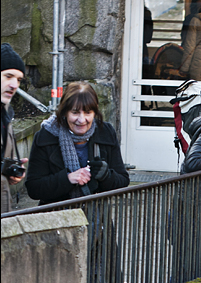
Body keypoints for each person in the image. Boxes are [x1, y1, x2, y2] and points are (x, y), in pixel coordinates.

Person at [25, 81, 129, 204]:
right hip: (56, 218)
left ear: (95, 112)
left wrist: (106, 175)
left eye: (88, 112)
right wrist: (67, 179)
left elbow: (123, 182)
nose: (81, 120)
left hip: (97, 217)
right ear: (65, 112)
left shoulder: (105, 132)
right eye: (75, 112)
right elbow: (34, 188)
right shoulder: (46, 136)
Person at [1, 42, 28, 213]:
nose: (14, 85)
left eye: (18, 79)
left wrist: (10, 170)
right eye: (8, 76)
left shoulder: (5, 114)